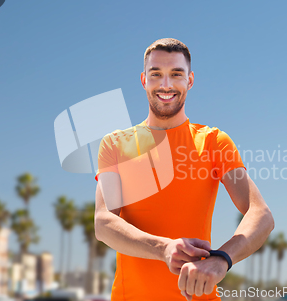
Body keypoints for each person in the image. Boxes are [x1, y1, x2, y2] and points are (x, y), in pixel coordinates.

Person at [94, 38, 274, 301]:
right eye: (156, 74)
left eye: (176, 74)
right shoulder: (114, 144)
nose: (166, 84)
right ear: (144, 80)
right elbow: (104, 222)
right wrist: (163, 248)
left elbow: (261, 214)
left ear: (190, 80)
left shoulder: (214, 142)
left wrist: (222, 259)